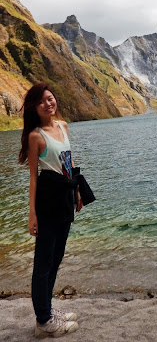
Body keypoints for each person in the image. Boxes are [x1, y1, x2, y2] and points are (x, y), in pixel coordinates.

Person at [19, 82, 81, 338]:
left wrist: (76, 190)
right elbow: (34, 177)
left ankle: (46, 310)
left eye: (51, 98)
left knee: (56, 258)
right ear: (35, 107)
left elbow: (68, 160)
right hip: (47, 198)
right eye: (42, 101)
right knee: (43, 262)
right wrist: (32, 213)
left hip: (65, 196)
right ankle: (43, 320)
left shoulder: (62, 126)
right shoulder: (35, 136)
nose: (49, 103)